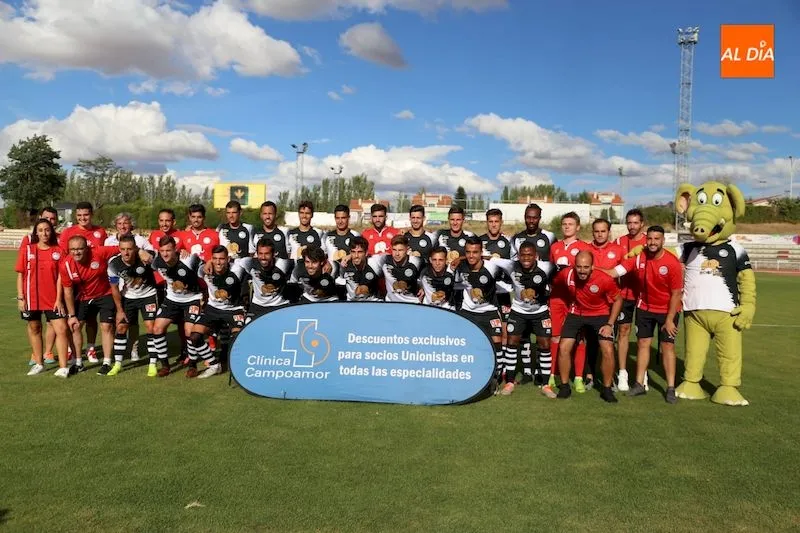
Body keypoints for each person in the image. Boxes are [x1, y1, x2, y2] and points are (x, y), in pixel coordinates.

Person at [606, 226, 684, 403]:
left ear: (663, 240)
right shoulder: (639, 257)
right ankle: (639, 384)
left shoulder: (671, 262)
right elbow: (614, 272)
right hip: (645, 309)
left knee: (667, 346)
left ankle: (670, 388)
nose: (653, 242)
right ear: (646, 240)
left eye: (657, 239)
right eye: (650, 239)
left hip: (667, 310)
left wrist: (670, 319)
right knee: (643, 344)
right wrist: (591, 269)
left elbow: (676, 294)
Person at [61, 236, 142, 374]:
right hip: (83, 296)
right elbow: (68, 291)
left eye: (80, 249)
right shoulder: (66, 265)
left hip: (105, 294)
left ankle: (106, 362)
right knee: (75, 326)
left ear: (87, 248)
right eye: (73, 249)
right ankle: (78, 362)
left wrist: (141, 251)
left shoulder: (99, 252)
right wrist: (72, 315)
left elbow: (123, 249)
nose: (76, 252)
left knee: (107, 326)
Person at [557, 251, 624, 403]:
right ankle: (565, 387)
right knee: (564, 347)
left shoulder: (604, 279)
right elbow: (554, 284)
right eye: (579, 267)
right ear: (574, 266)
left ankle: (606, 389)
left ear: (592, 266)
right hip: (576, 313)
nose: (582, 271)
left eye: (586, 267)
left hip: (600, 314)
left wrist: (609, 324)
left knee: (607, 349)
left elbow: (618, 300)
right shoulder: (567, 274)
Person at [489, 241, 554, 395]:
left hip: (540, 312)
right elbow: (490, 259)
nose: (526, 258)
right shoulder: (512, 265)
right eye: (523, 255)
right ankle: (509, 382)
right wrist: (460, 258)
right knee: (512, 343)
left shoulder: (546, 267)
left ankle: (546, 385)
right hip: (518, 311)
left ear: (535, 255)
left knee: (545, 345)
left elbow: (565, 269)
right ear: (518, 256)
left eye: (529, 255)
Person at [16, 218, 71, 377]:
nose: (44, 233)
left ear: (51, 231)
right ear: (36, 233)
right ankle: (39, 363)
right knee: (35, 328)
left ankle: (63, 367)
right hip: (31, 297)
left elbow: (61, 277)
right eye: (40, 230)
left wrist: (59, 299)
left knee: (61, 329)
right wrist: (21, 297)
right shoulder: (28, 250)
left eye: (47, 230)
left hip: (53, 298)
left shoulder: (59, 251)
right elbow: (21, 274)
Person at [546, 212, 591, 397]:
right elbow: (550, 271)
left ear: (577, 227)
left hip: (576, 299)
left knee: (579, 338)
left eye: (570, 224)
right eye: (564, 224)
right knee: (556, 337)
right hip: (557, 298)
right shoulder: (555, 247)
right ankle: (553, 374)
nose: (566, 227)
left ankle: (578, 377)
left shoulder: (584, 248)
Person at [453, 236, 507, 389]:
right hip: (468, 311)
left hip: (489, 311)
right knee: (466, 345)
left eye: (475, 252)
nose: (471, 256)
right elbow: (456, 286)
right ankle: (468, 375)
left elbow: (510, 278)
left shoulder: (492, 268)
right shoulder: (460, 267)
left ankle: (496, 377)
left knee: (496, 343)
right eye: (468, 252)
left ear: (481, 252)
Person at [59, 201, 107, 362]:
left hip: (95, 285)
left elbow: (103, 255)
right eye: (79, 215)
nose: (82, 218)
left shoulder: (100, 232)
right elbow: (64, 260)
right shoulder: (68, 232)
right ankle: (71, 349)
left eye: (86, 214)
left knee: (92, 319)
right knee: (75, 320)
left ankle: (91, 348)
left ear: (91, 214)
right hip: (74, 285)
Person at [149, 236, 204, 376]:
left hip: (192, 298)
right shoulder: (157, 262)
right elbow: (144, 257)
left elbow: (206, 270)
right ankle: (165, 366)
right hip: (172, 299)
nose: (165, 254)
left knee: (189, 332)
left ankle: (193, 366)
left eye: (168, 250)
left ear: (175, 250)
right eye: (162, 251)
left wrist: (205, 297)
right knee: (157, 328)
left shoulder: (188, 259)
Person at [194, 245, 250, 378]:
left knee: (238, 339)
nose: (218, 262)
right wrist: (208, 262)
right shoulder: (204, 270)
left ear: (228, 259)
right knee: (194, 337)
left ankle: (240, 369)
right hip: (213, 309)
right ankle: (214, 365)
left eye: (222, 259)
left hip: (234, 309)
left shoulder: (236, 269)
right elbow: (195, 262)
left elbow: (246, 261)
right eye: (215, 259)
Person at [105, 212, 155, 361]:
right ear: (115, 226)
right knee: (120, 321)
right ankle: (116, 351)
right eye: (119, 223)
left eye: (125, 223)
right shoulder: (108, 241)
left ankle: (134, 348)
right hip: (118, 287)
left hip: (139, 287)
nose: (122, 226)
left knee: (134, 323)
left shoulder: (140, 240)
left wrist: (140, 250)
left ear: (131, 224)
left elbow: (151, 255)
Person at [107, 234, 159, 377]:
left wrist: (146, 254)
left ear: (135, 248)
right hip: (128, 297)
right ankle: (117, 364)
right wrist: (119, 310)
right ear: (119, 249)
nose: (126, 253)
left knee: (150, 327)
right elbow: (114, 288)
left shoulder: (146, 256)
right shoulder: (113, 263)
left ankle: (152, 364)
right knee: (121, 327)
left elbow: (162, 260)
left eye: (129, 249)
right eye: (123, 249)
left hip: (148, 295)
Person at [584, 218, 626, 387]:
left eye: (603, 231)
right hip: (589, 303)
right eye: (597, 231)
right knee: (590, 341)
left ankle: (610, 378)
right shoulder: (586, 250)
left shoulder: (619, 250)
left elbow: (619, 274)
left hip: (610, 304)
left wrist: (596, 270)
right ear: (592, 232)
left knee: (608, 342)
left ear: (609, 232)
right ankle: (589, 375)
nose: (600, 234)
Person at [19, 207, 61, 366]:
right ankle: (36, 355)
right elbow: (22, 270)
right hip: (32, 293)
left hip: (51, 292)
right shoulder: (28, 242)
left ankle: (48, 351)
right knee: (34, 325)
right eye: (46, 218)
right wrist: (21, 296)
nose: (49, 221)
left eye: (52, 219)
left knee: (54, 323)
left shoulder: (59, 242)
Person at [613, 208, 647, 391]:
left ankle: (643, 374)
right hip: (624, 295)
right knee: (623, 331)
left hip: (644, 296)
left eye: (635, 223)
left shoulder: (649, 241)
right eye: (629, 222)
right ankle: (623, 372)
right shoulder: (619, 242)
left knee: (643, 337)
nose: (632, 226)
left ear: (642, 224)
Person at [241, 238, 294, 323]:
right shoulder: (249, 263)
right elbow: (233, 265)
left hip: (279, 305)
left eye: (267, 254)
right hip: (258, 305)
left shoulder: (282, 264)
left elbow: (300, 264)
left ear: (273, 254)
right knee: (247, 324)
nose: (263, 257)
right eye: (260, 253)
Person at [338, 236, 384, 301]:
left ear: (366, 253)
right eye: (353, 252)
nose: (356, 256)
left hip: (373, 303)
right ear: (350, 252)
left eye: (360, 252)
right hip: (352, 303)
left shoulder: (375, 263)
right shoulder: (345, 264)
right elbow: (341, 279)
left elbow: (391, 256)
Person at [381, 235, 424, 304]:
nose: (397, 254)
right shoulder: (384, 260)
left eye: (400, 250)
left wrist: (423, 288)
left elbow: (428, 274)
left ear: (407, 249)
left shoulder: (417, 262)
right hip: (391, 303)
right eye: (394, 250)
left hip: (412, 303)